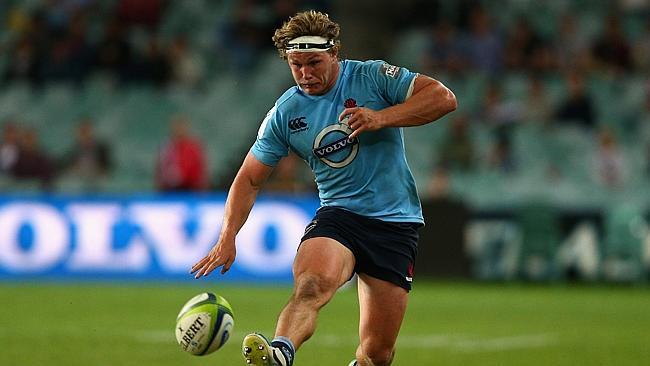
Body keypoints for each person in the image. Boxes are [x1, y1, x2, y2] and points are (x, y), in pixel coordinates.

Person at [191, 10, 456, 366]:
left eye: (314, 62)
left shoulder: (372, 77)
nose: (305, 74)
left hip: (395, 221)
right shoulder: (286, 112)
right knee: (311, 286)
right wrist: (228, 236)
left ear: (334, 54)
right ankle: (280, 352)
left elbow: (443, 98)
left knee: (377, 354)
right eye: (295, 65)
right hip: (339, 216)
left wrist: (381, 117)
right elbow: (250, 177)